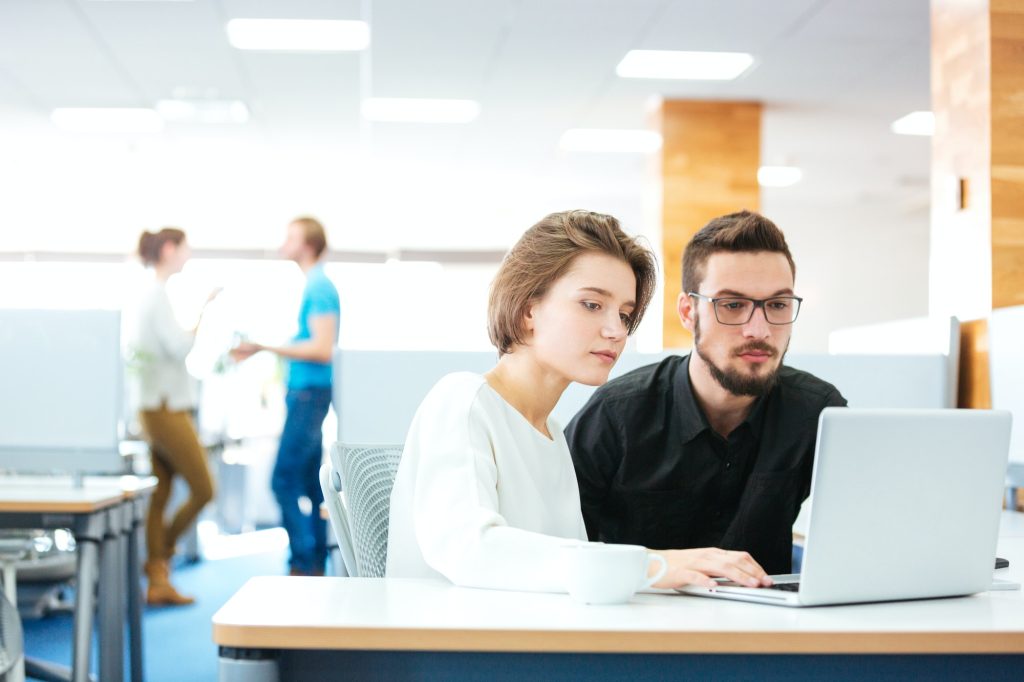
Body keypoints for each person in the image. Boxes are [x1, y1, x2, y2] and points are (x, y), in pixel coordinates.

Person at [386, 210, 773, 592]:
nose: (616, 331)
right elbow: (470, 549)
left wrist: (677, 573)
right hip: (456, 647)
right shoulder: (463, 401)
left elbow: (571, 571)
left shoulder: (551, 432)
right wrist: (652, 565)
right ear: (527, 310)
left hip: (535, 643)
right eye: (592, 304)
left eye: (625, 314)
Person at [565, 210, 848, 576]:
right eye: (733, 305)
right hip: (638, 622)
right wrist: (659, 564)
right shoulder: (616, 415)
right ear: (688, 311)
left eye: (777, 305)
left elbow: (868, 530)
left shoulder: (817, 413)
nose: (758, 330)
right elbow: (558, 551)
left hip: (767, 627)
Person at [231, 217, 340, 576]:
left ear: (308, 244)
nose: (283, 244)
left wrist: (264, 346)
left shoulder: (319, 286)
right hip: (306, 393)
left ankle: (304, 560)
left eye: (291, 237)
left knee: (282, 481)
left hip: (310, 393)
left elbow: (323, 348)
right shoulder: (314, 284)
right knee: (310, 482)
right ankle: (316, 559)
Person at [133, 227, 216, 605]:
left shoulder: (148, 294)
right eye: (185, 249)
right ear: (170, 249)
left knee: (161, 492)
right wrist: (202, 311)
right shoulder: (156, 295)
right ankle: (156, 559)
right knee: (204, 488)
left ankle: (157, 580)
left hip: (152, 405)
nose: (188, 256)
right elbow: (179, 346)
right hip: (164, 406)